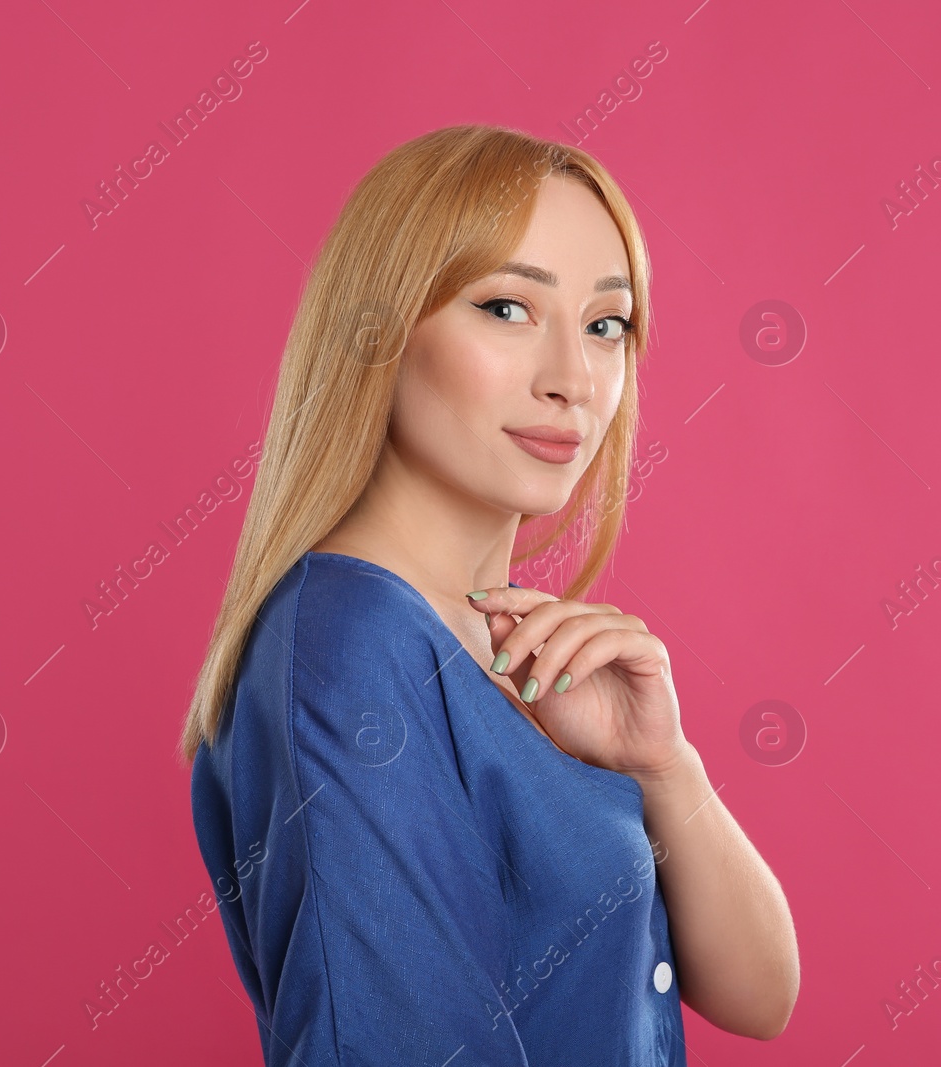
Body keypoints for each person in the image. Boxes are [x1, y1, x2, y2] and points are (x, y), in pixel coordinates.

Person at [179, 123, 798, 1065]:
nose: (574, 380)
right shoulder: (350, 651)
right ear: (377, 330)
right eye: (508, 309)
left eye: (607, 325)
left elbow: (761, 996)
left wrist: (664, 768)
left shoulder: (498, 646)